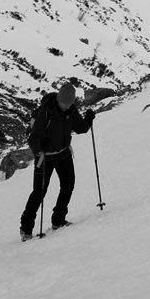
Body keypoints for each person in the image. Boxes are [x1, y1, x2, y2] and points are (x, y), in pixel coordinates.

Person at [19, 79, 95, 238]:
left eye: (68, 104)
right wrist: (41, 146)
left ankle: (58, 220)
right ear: (58, 99)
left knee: (68, 184)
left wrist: (88, 119)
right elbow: (33, 140)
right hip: (44, 157)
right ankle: (26, 229)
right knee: (39, 192)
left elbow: (80, 128)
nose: (65, 106)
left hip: (64, 154)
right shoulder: (46, 112)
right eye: (63, 103)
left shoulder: (71, 111)